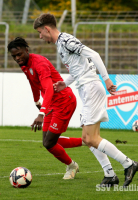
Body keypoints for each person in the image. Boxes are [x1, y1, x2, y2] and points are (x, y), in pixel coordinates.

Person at [33, 13, 138, 187]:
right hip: (86, 88)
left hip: (91, 87)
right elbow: (79, 69)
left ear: (47, 28)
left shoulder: (66, 40)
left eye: (40, 32)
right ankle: (110, 175)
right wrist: (64, 83)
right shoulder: (61, 44)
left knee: (90, 139)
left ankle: (128, 164)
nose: (40, 37)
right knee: (88, 138)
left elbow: (94, 55)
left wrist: (106, 79)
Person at [8, 37, 82, 179]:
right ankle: (86, 141)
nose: (17, 58)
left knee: (49, 142)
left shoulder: (39, 63)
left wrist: (41, 113)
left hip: (63, 102)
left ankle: (72, 166)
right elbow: (32, 83)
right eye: (14, 56)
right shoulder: (24, 64)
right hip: (52, 104)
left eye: (19, 54)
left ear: (26, 50)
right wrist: (37, 102)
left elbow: (49, 88)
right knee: (48, 142)